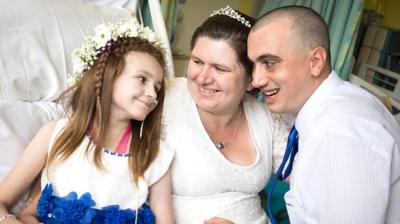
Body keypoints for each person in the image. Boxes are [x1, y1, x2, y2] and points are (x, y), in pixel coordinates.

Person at [0, 18, 174, 224]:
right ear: (109, 74)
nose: (152, 94)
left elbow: (165, 220)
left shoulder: (154, 154)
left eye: (157, 87)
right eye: (142, 79)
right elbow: (15, 205)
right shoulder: (56, 135)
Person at [248, 5, 400, 224]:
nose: (257, 80)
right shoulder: (322, 110)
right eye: (254, 65)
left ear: (316, 61)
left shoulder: (340, 133)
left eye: (269, 63)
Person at [163, 5, 288, 224]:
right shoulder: (164, 98)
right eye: (197, 62)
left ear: (251, 79)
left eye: (220, 69)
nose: (203, 78)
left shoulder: (267, 118)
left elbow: (308, 179)